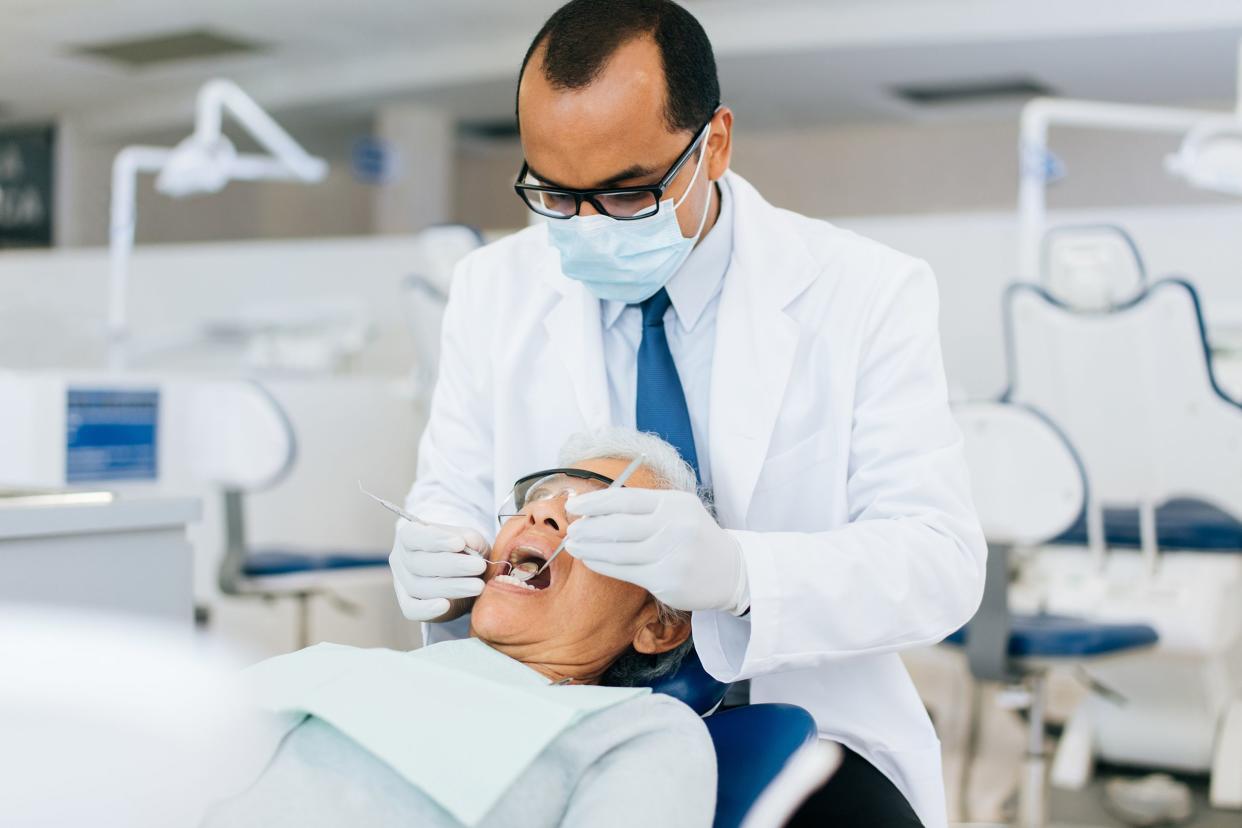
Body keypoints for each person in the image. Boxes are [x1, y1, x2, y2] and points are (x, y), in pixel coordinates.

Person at [390, 2, 986, 825]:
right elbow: (449, 500)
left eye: (627, 192)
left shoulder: (867, 293)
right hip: (562, 730)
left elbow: (940, 561)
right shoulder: (494, 292)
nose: (587, 226)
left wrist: (743, 575)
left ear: (714, 144)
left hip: (806, 726)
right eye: (554, 194)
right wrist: (436, 563)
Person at [206, 429, 715, 828]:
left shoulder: (635, 731)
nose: (541, 512)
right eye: (540, 498)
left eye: (599, 512)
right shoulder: (354, 666)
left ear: (660, 625)